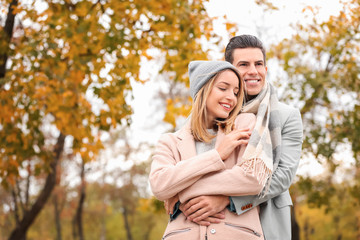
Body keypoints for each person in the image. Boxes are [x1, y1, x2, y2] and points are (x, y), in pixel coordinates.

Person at [176, 35, 304, 240]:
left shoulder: (288, 116)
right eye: (244, 64)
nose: (253, 71)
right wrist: (175, 195)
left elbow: (283, 176)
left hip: (266, 218)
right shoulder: (208, 112)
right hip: (209, 223)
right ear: (231, 70)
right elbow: (181, 163)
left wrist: (227, 199)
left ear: (266, 70)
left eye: (259, 64)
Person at [149, 60, 275, 239]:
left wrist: (179, 191)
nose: (231, 97)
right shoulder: (169, 141)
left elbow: (253, 177)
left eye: (236, 92)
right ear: (203, 90)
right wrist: (216, 155)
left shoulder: (245, 124)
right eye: (223, 88)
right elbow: (159, 185)